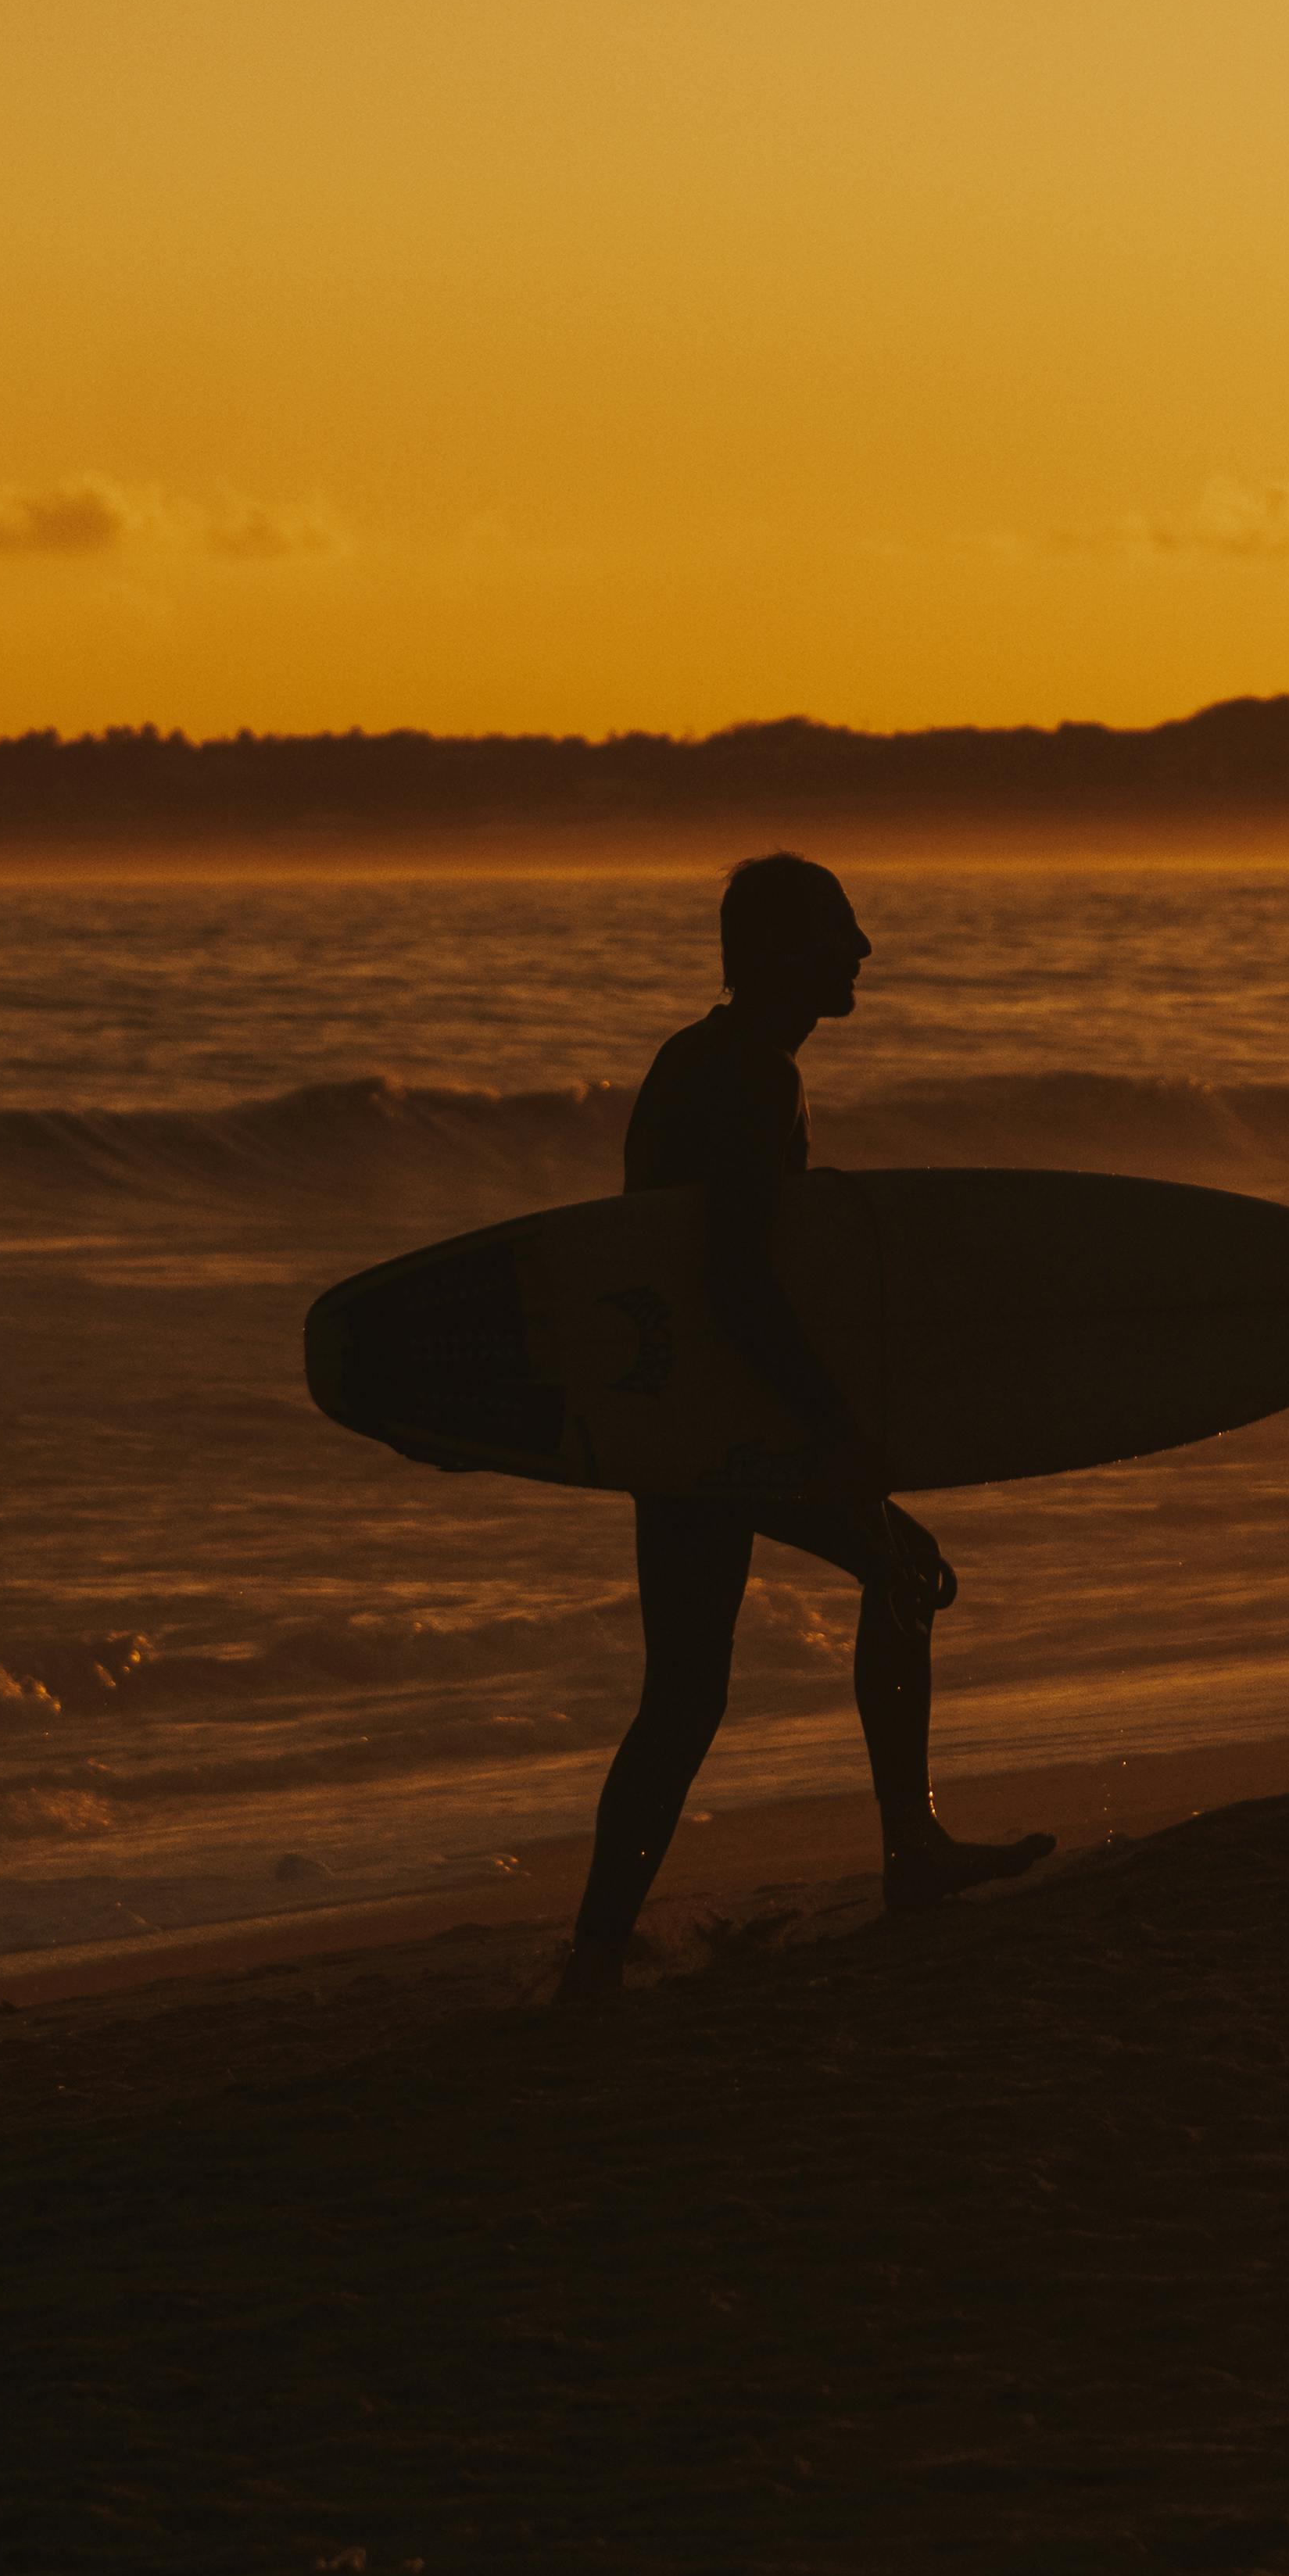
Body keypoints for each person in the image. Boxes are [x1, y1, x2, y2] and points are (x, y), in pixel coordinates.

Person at [559, 854, 1054, 2000]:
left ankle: (595, 1952)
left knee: (685, 1692)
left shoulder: (700, 1056)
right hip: (728, 1417)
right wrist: (830, 1425)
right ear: (785, 951)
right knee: (903, 1568)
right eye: (842, 929)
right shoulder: (749, 1077)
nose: (865, 949)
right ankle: (910, 1853)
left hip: (678, 1413)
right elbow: (733, 1277)